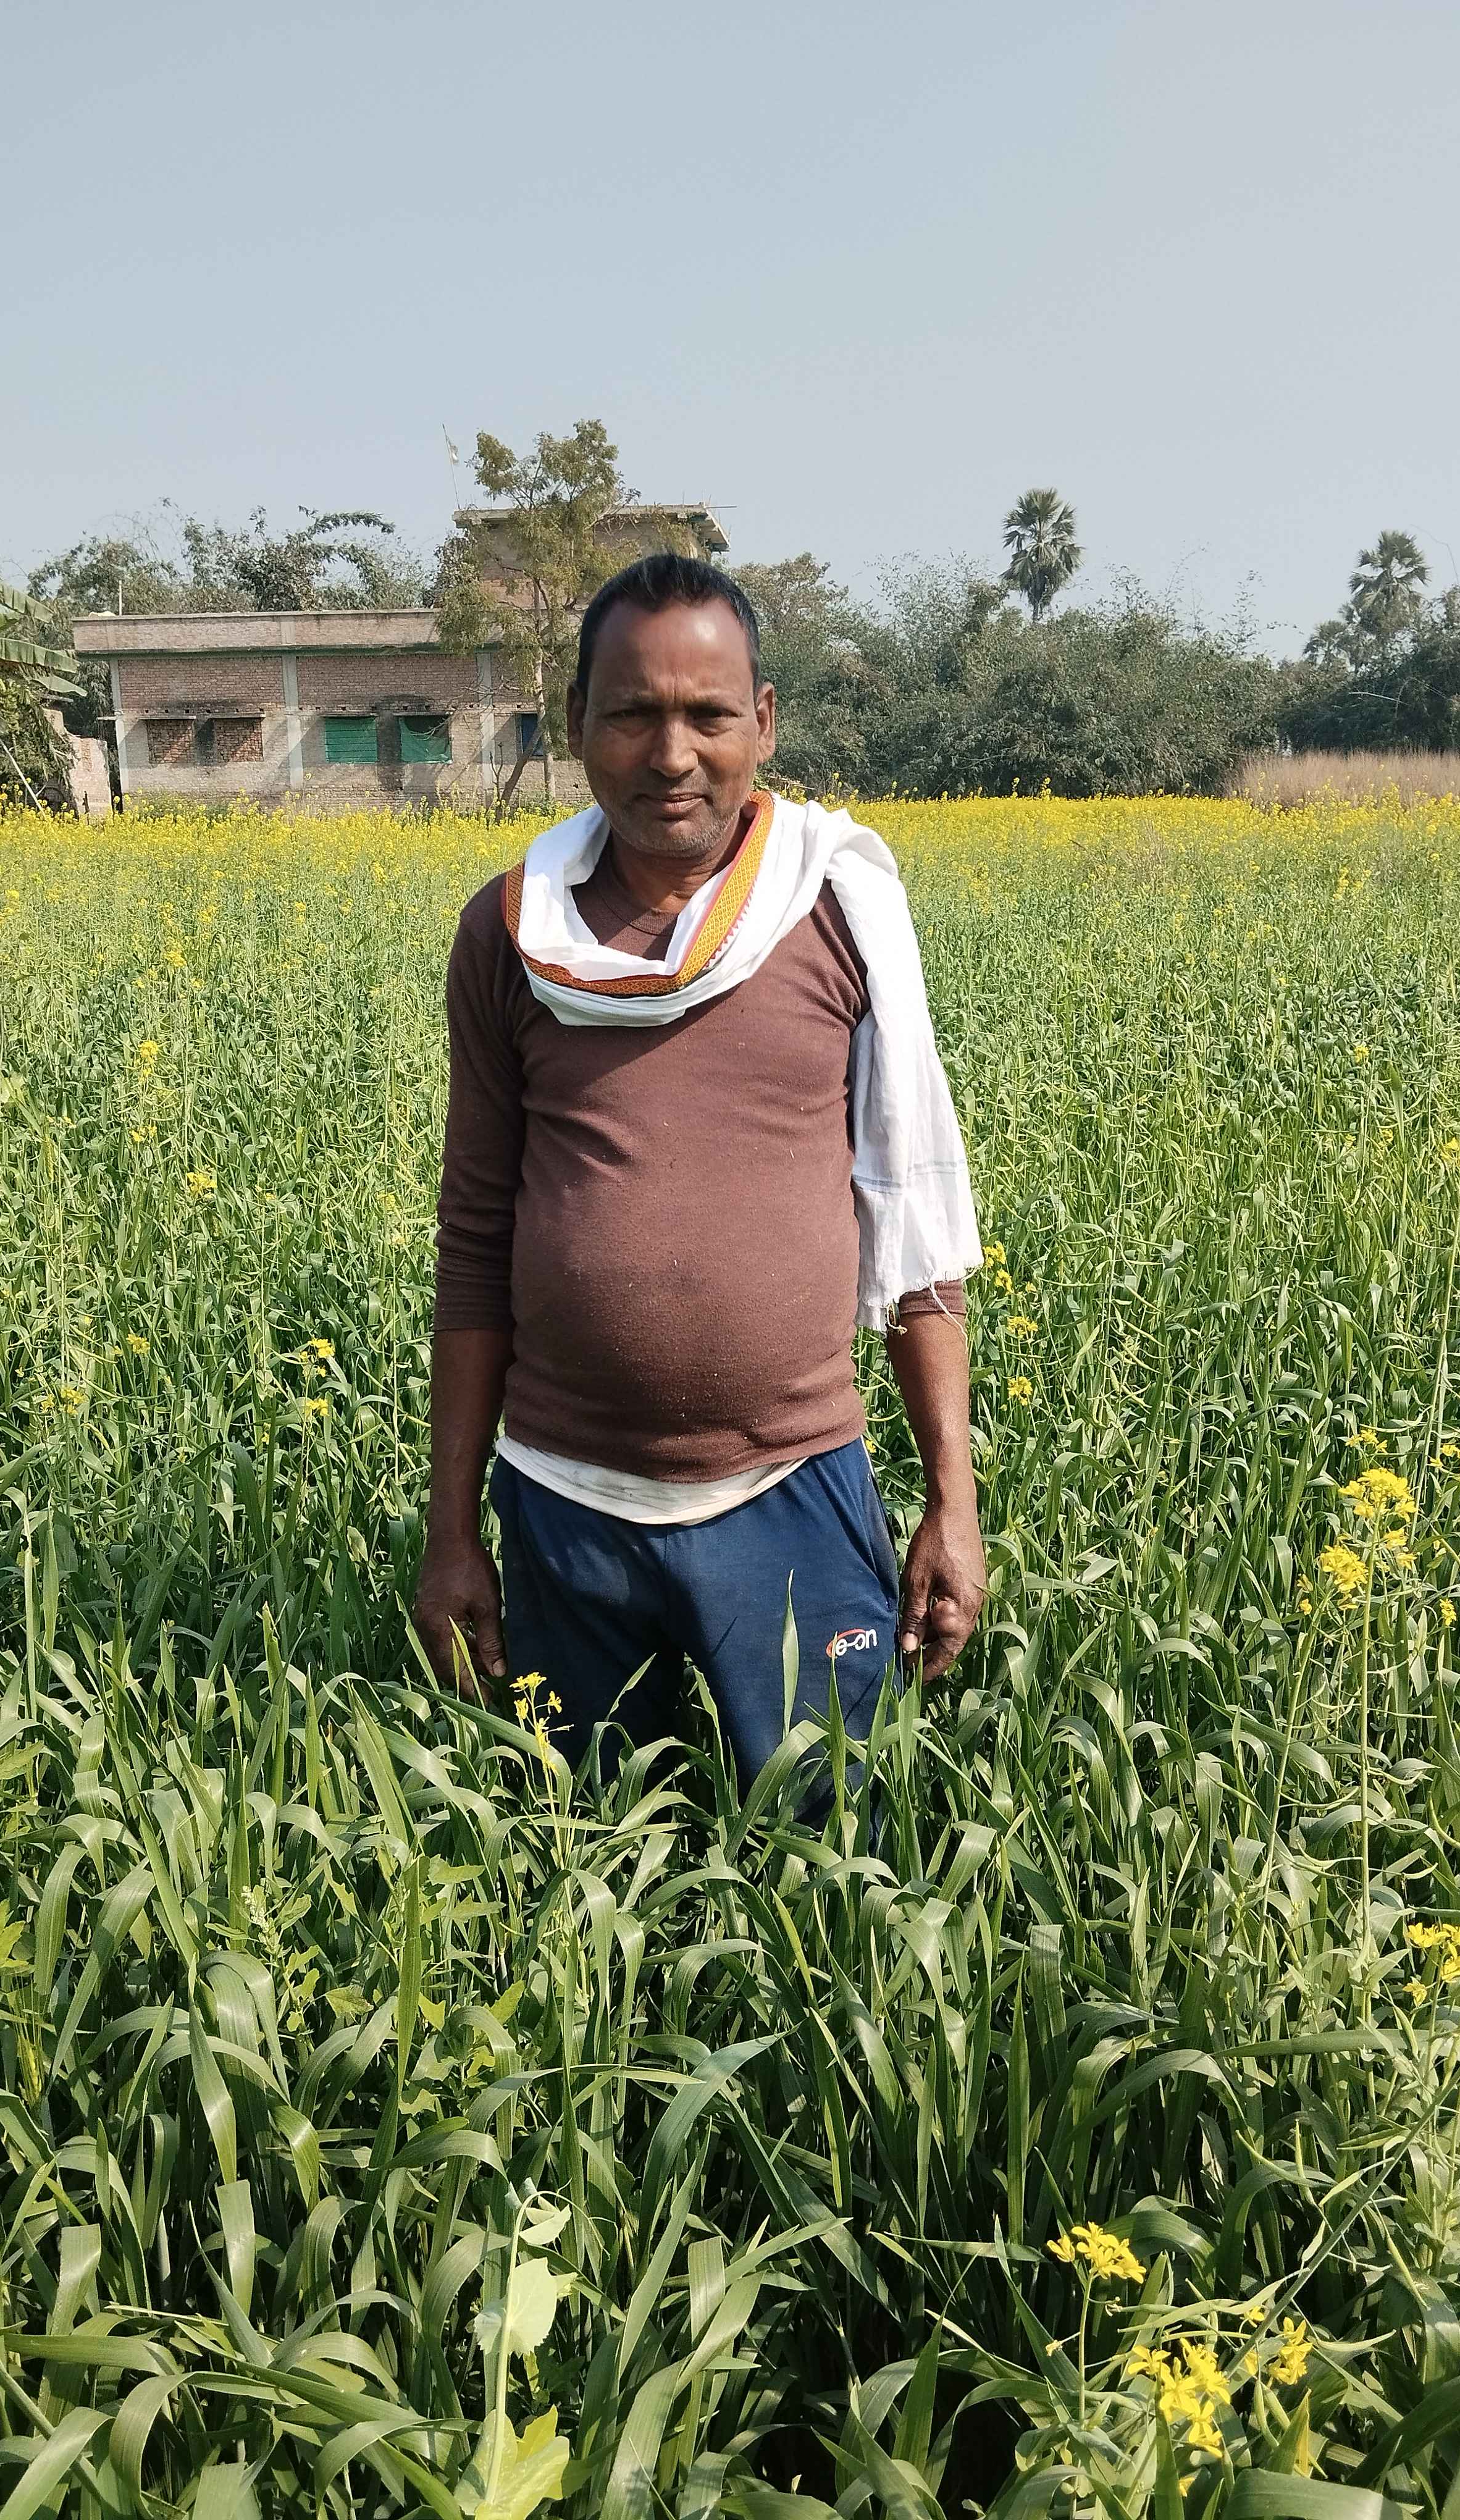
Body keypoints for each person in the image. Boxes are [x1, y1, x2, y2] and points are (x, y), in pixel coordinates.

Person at [413, 552, 984, 1788]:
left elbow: (911, 1227)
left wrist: (954, 1502)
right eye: (632, 714)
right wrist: (451, 1532)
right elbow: (477, 1236)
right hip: (562, 1499)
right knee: (570, 1843)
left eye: (708, 715)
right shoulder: (513, 934)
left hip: (794, 1484)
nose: (671, 754)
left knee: (833, 1842)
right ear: (577, 723)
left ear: (762, 724)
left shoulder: (838, 912)